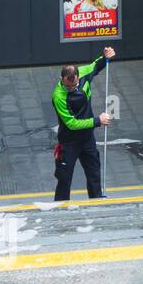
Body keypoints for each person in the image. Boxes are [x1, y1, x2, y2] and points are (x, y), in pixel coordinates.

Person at [52, 47, 115, 201]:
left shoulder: (84, 73)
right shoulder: (58, 96)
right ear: (61, 79)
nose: (71, 89)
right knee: (64, 179)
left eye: (74, 86)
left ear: (78, 76)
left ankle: (97, 203)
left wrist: (105, 56)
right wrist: (97, 121)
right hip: (68, 143)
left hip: (87, 140)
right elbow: (72, 124)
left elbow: (95, 66)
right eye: (68, 86)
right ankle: (60, 210)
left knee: (94, 175)